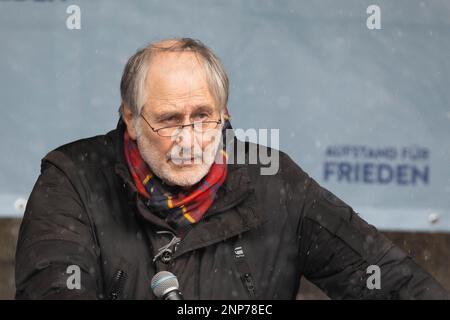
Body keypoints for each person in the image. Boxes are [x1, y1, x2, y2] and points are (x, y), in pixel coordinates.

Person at [15, 38, 449, 300]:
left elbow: (390, 281)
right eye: (168, 120)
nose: (188, 138)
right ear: (129, 118)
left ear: (224, 113)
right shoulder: (72, 181)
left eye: (203, 116)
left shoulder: (276, 181)